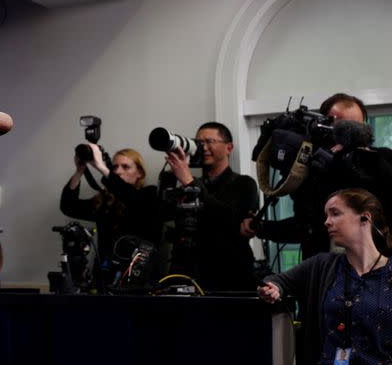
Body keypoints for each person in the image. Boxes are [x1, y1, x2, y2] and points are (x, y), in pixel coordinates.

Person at [244, 92, 392, 259]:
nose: (346, 135)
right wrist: (263, 228)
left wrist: (352, 160)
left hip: (375, 268)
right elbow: (306, 226)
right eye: (338, 127)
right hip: (323, 270)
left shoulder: (381, 160)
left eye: (354, 128)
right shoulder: (314, 167)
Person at [258, 188, 392, 365]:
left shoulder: (388, 273)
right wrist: (272, 288)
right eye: (326, 215)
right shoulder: (322, 265)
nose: (327, 222)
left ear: (365, 218)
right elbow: (277, 281)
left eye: (335, 213)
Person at [165, 122, 259, 291]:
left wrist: (189, 181)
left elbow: (230, 219)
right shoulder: (189, 185)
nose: (204, 147)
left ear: (229, 148)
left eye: (210, 141)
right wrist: (173, 176)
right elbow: (161, 215)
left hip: (230, 276)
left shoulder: (244, 183)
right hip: (189, 273)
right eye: (199, 143)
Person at [60, 143, 161, 261]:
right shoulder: (104, 201)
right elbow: (68, 207)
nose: (118, 172)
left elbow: (133, 199)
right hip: (105, 273)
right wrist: (79, 171)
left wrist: (102, 168)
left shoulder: (150, 195)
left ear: (140, 173)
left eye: (125, 167)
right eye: (115, 167)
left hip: (139, 272)